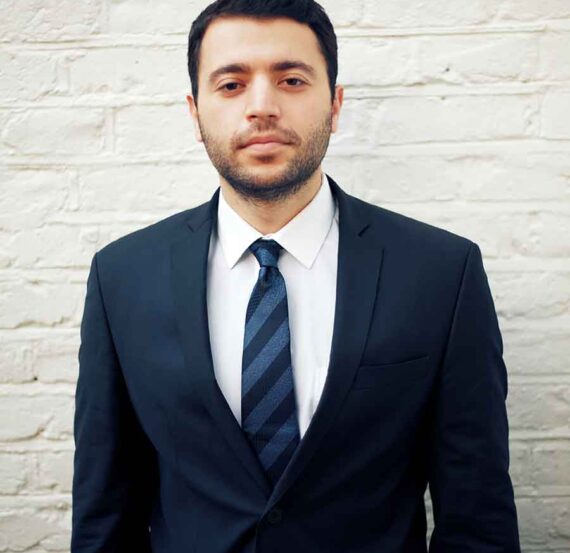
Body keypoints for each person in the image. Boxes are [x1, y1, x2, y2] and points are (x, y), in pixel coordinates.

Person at [71, 0, 521, 551]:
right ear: (195, 113)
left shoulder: (442, 274)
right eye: (231, 85)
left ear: (335, 104)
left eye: (291, 80)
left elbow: (477, 518)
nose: (262, 107)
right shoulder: (121, 278)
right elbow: (104, 514)